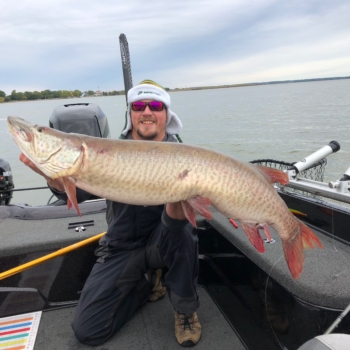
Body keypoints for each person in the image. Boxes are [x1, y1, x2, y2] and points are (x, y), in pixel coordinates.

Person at [20, 80, 202, 347]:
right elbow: (77, 194)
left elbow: (183, 220)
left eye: (156, 106)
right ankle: (148, 283)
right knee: (88, 331)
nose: (147, 112)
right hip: (122, 246)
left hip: (167, 241)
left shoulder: (186, 156)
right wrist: (47, 171)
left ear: (167, 114)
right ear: (131, 114)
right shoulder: (106, 152)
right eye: (139, 106)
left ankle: (185, 309)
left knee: (183, 232)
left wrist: (184, 196)